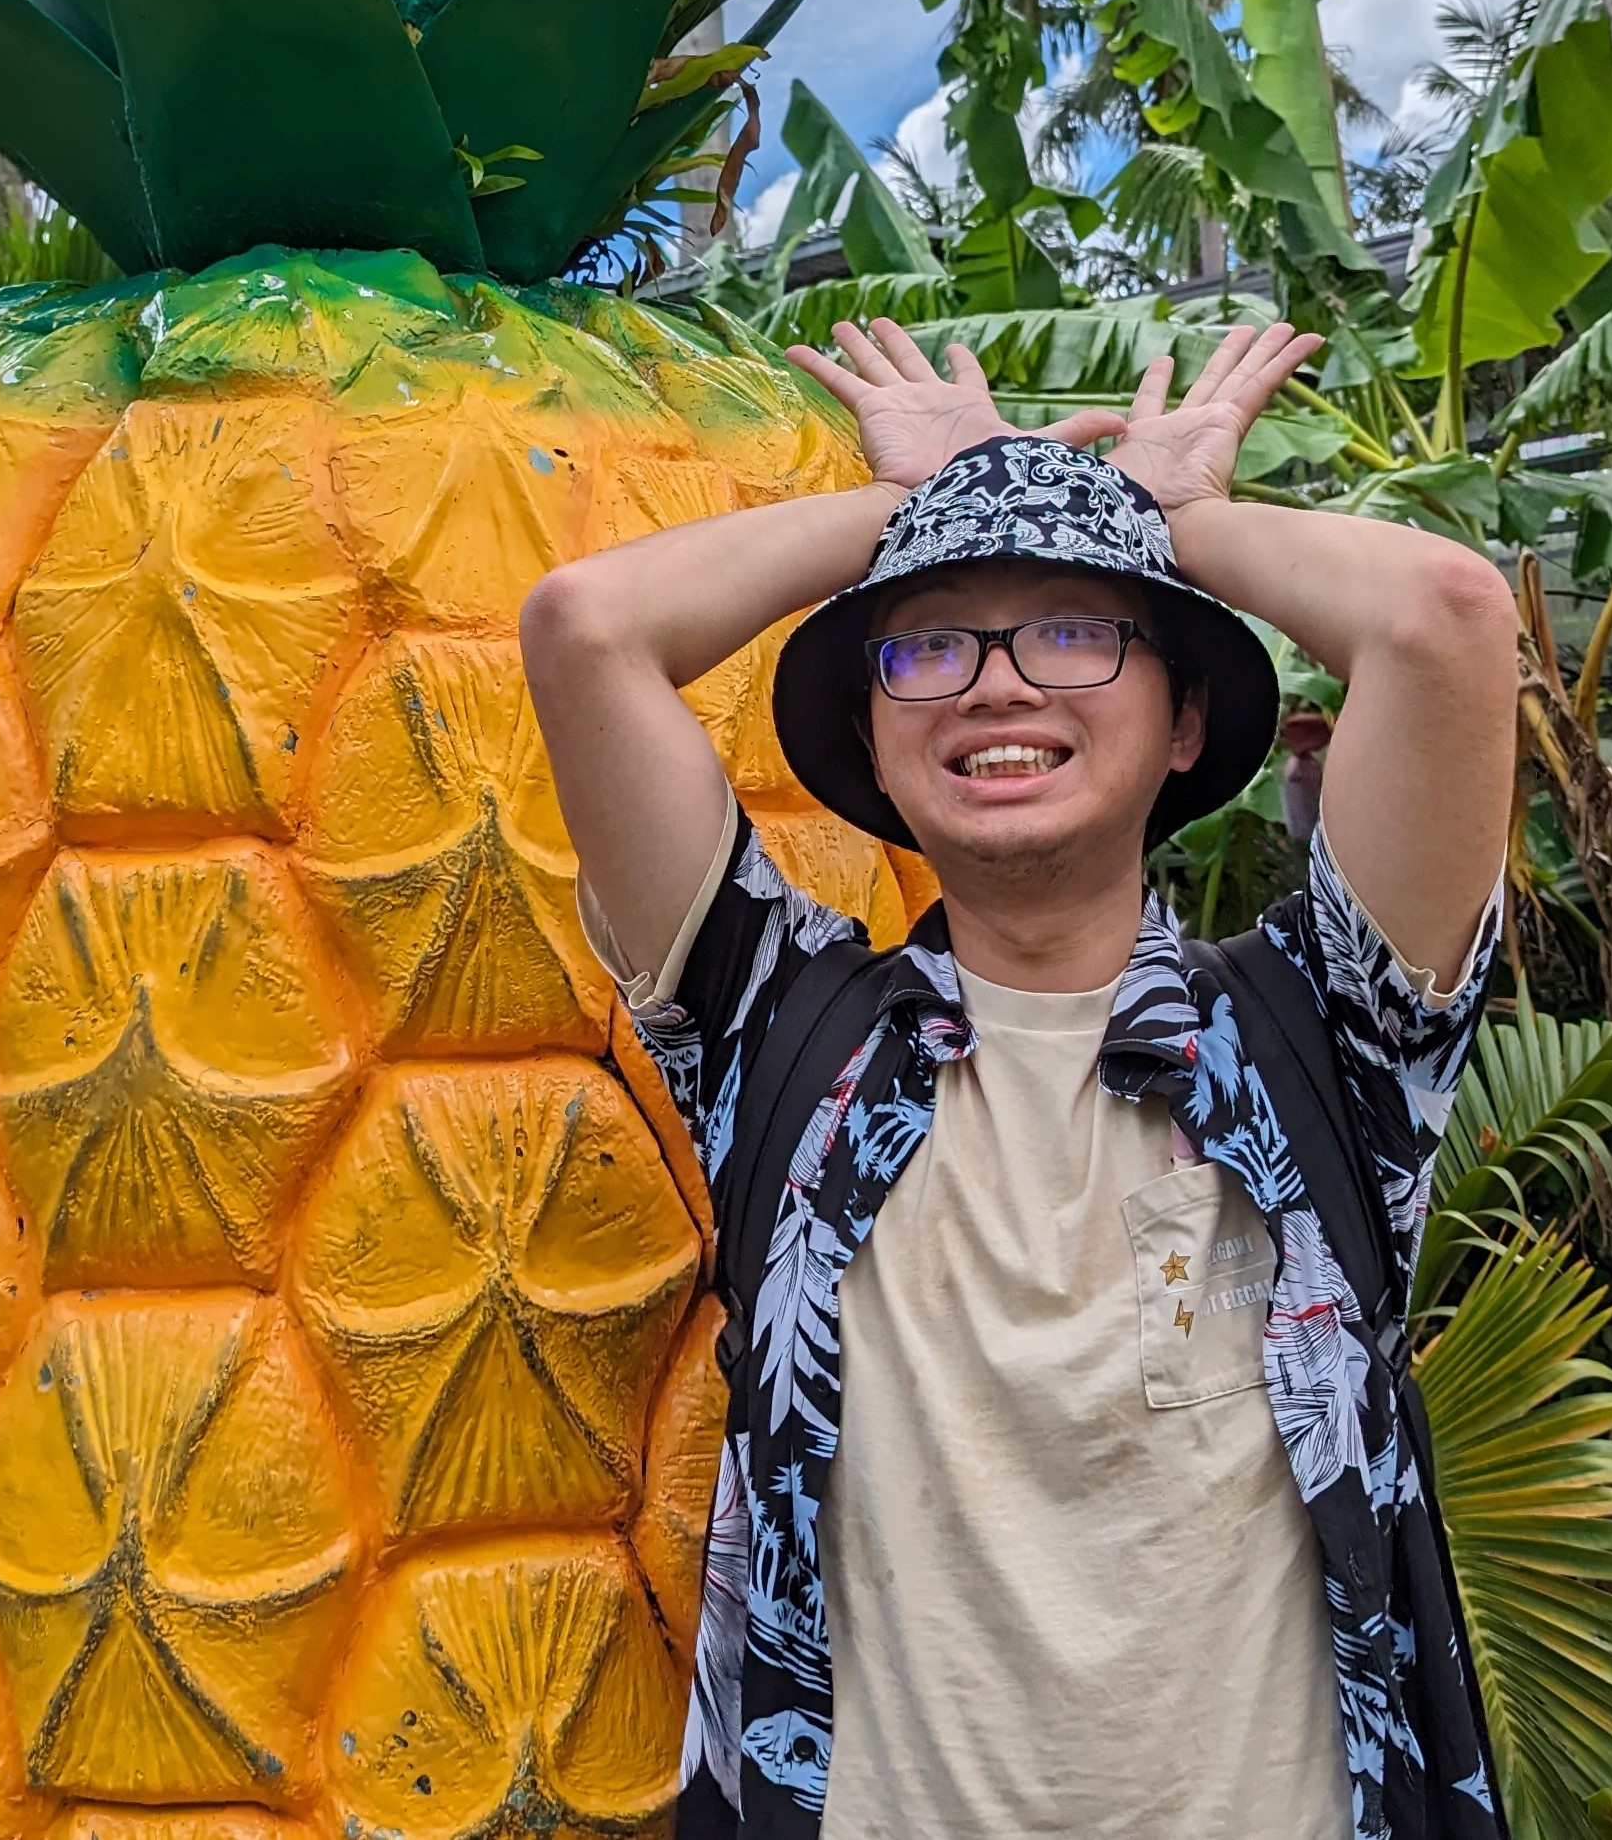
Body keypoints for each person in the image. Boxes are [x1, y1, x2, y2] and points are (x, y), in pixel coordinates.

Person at [518, 316, 1522, 1840]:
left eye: (1073, 631)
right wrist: (921, 503)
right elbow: (585, 629)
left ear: (1186, 719)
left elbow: (1448, 617)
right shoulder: (781, 1037)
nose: (996, 687)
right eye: (929, 646)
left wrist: (1172, 523)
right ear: (873, 738)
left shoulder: (1323, 1039)